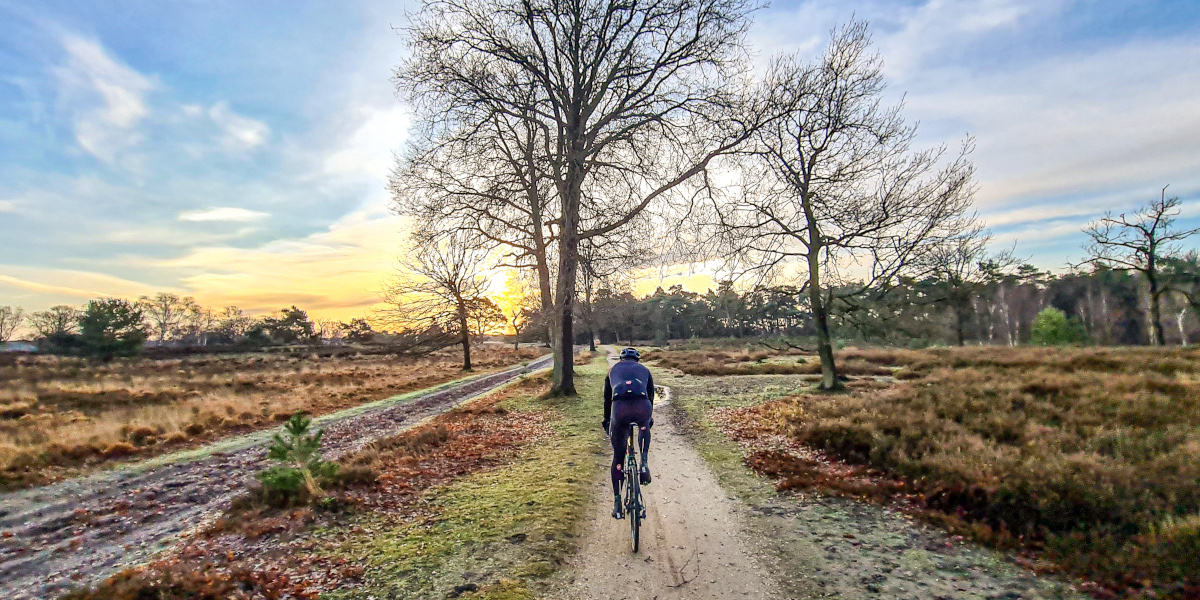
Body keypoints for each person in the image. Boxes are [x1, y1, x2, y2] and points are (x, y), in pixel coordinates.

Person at [602, 347, 654, 519]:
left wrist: (607, 421)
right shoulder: (645, 370)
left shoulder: (612, 370)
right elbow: (651, 396)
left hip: (620, 409)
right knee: (644, 427)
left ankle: (617, 503)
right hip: (642, 408)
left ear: (621, 359)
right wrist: (648, 419)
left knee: (618, 457)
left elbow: (607, 400)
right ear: (637, 359)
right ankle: (644, 463)